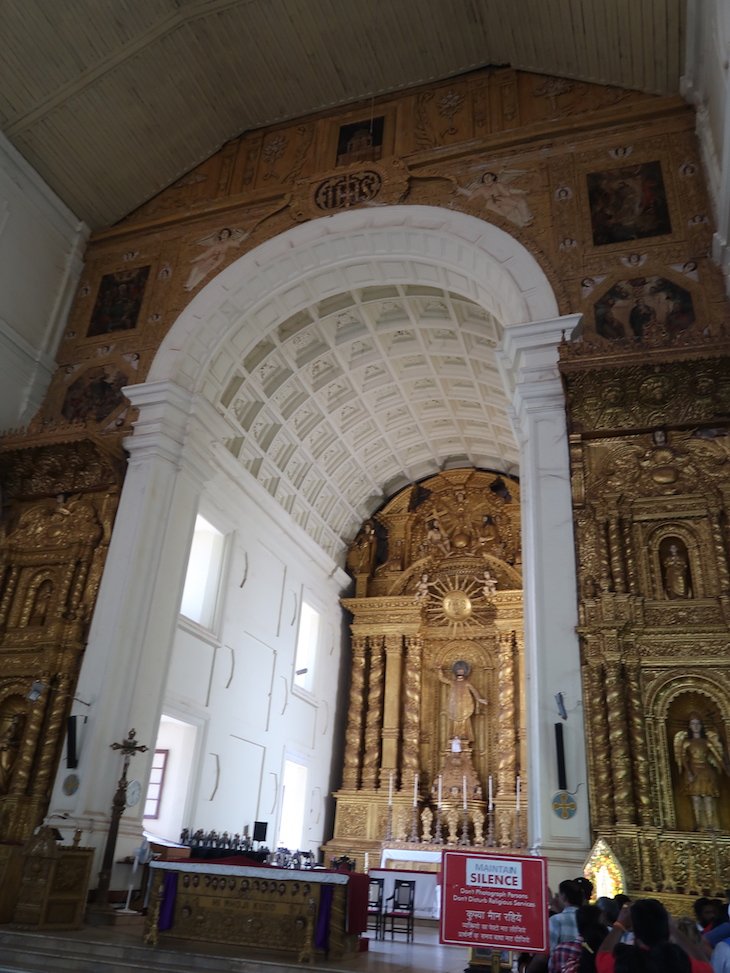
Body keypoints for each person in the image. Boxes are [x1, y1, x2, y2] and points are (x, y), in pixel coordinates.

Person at [597, 899, 712, 973]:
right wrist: (671, 927)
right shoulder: (681, 963)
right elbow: (704, 965)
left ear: (635, 932)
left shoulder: (624, 965)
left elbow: (602, 956)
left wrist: (620, 924)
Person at [673, 715, 727, 831]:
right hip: (693, 769)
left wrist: (726, 769)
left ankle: (710, 825)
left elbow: (718, 757)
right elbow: (682, 758)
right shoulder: (687, 742)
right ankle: (698, 824)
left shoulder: (706, 742)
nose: (696, 726)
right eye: (693, 724)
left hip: (706, 771)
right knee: (696, 798)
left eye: (698, 723)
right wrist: (688, 772)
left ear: (701, 726)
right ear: (690, 726)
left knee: (708, 797)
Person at [437, 660, 486, 743]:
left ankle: (464, 735)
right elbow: (442, 679)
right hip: (455, 705)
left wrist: (480, 699)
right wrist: (439, 670)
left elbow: (474, 691)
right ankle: (455, 735)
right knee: (455, 720)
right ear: (456, 671)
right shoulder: (453, 682)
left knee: (464, 720)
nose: (460, 671)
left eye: (462, 670)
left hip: (465, 705)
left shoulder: (466, 683)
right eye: (459, 670)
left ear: (465, 671)